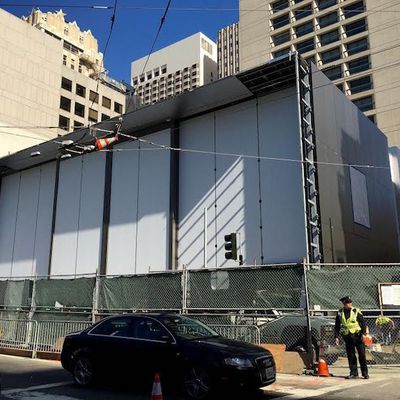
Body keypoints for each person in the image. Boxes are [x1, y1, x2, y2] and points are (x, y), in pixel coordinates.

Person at [334, 296, 369, 379]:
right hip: (348, 337)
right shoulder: (340, 312)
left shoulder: (356, 311)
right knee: (351, 355)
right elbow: (337, 326)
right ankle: (353, 373)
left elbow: (363, 323)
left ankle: (365, 373)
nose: (349, 304)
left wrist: (364, 334)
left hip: (358, 336)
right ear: (344, 304)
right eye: (347, 303)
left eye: (350, 302)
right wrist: (336, 337)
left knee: (362, 355)